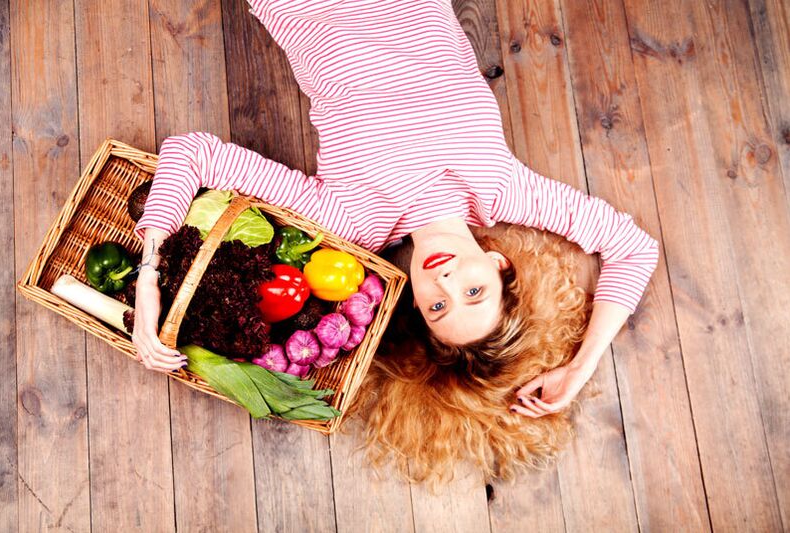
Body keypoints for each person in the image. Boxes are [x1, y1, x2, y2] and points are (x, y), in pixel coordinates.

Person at [130, 0, 658, 478]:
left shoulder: (351, 221)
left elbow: (191, 153)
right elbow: (634, 249)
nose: (445, 280)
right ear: (499, 265)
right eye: (472, 292)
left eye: (436, 306)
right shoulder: (503, 188)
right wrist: (579, 367)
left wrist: (150, 280)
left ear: (416, 302)